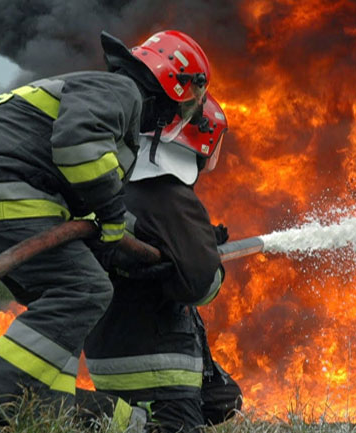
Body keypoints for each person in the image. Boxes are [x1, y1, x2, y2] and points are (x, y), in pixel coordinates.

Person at [0, 29, 211, 433]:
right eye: (190, 103)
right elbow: (78, 148)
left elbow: (84, 201)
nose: (184, 116)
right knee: (86, 290)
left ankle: (36, 409)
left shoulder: (110, 101)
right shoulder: (121, 91)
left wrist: (131, 247)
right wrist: (112, 217)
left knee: (61, 308)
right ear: (175, 83)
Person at [84, 93, 243, 433]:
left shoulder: (121, 186)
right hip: (156, 361)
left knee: (224, 400)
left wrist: (195, 242)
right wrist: (205, 258)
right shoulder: (169, 193)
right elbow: (201, 285)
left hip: (107, 349)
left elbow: (148, 242)